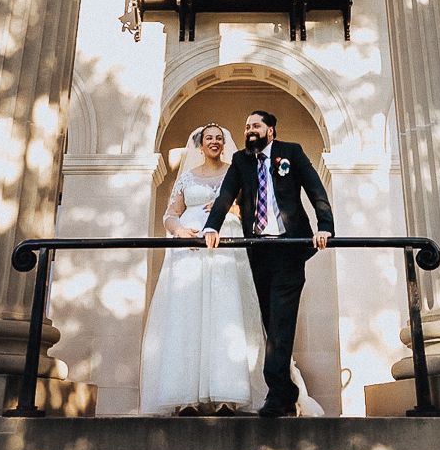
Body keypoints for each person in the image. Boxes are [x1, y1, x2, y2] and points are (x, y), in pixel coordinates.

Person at [203, 110, 335, 419]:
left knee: (281, 322)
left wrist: (325, 225)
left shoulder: (291, 152)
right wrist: (212, 227)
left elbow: (316, 189)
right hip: (258, 251)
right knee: (269, 320)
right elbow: (225, 195)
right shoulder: (240, 160)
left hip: (289, 248)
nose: (250, 130)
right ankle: (286, 391)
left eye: (256, 126)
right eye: (246, 126)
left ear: (270, 131)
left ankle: (277, 394)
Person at [138, 123, 264, 415]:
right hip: (189, 249)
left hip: (225, 248)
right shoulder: (186, 177)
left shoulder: (236, 171)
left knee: (226, 313)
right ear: (200, 144)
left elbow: (252, 209)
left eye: (220, 138)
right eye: (210, 138)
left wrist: (226, 207)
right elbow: (170, 215)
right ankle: (185, 397)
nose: (215, 142)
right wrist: (180, 231)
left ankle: (228, 395)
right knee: (188, 314)